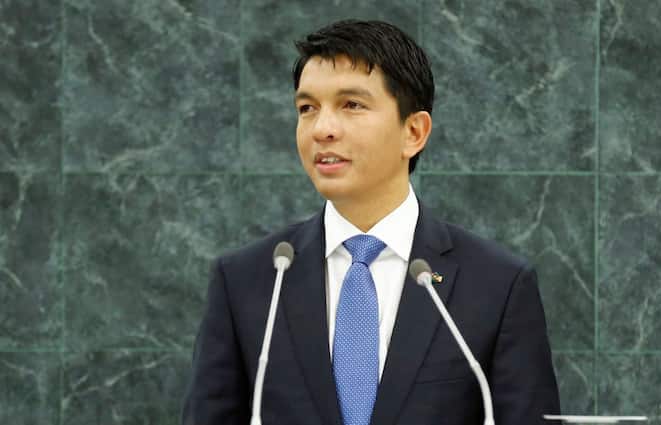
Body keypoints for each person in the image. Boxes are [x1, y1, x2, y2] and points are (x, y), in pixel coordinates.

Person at [182, 19, 560, 425]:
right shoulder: (250, 281)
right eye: (307, 108)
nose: (322, 129)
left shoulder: (497, 285)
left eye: (351, 105)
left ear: (413, 132)